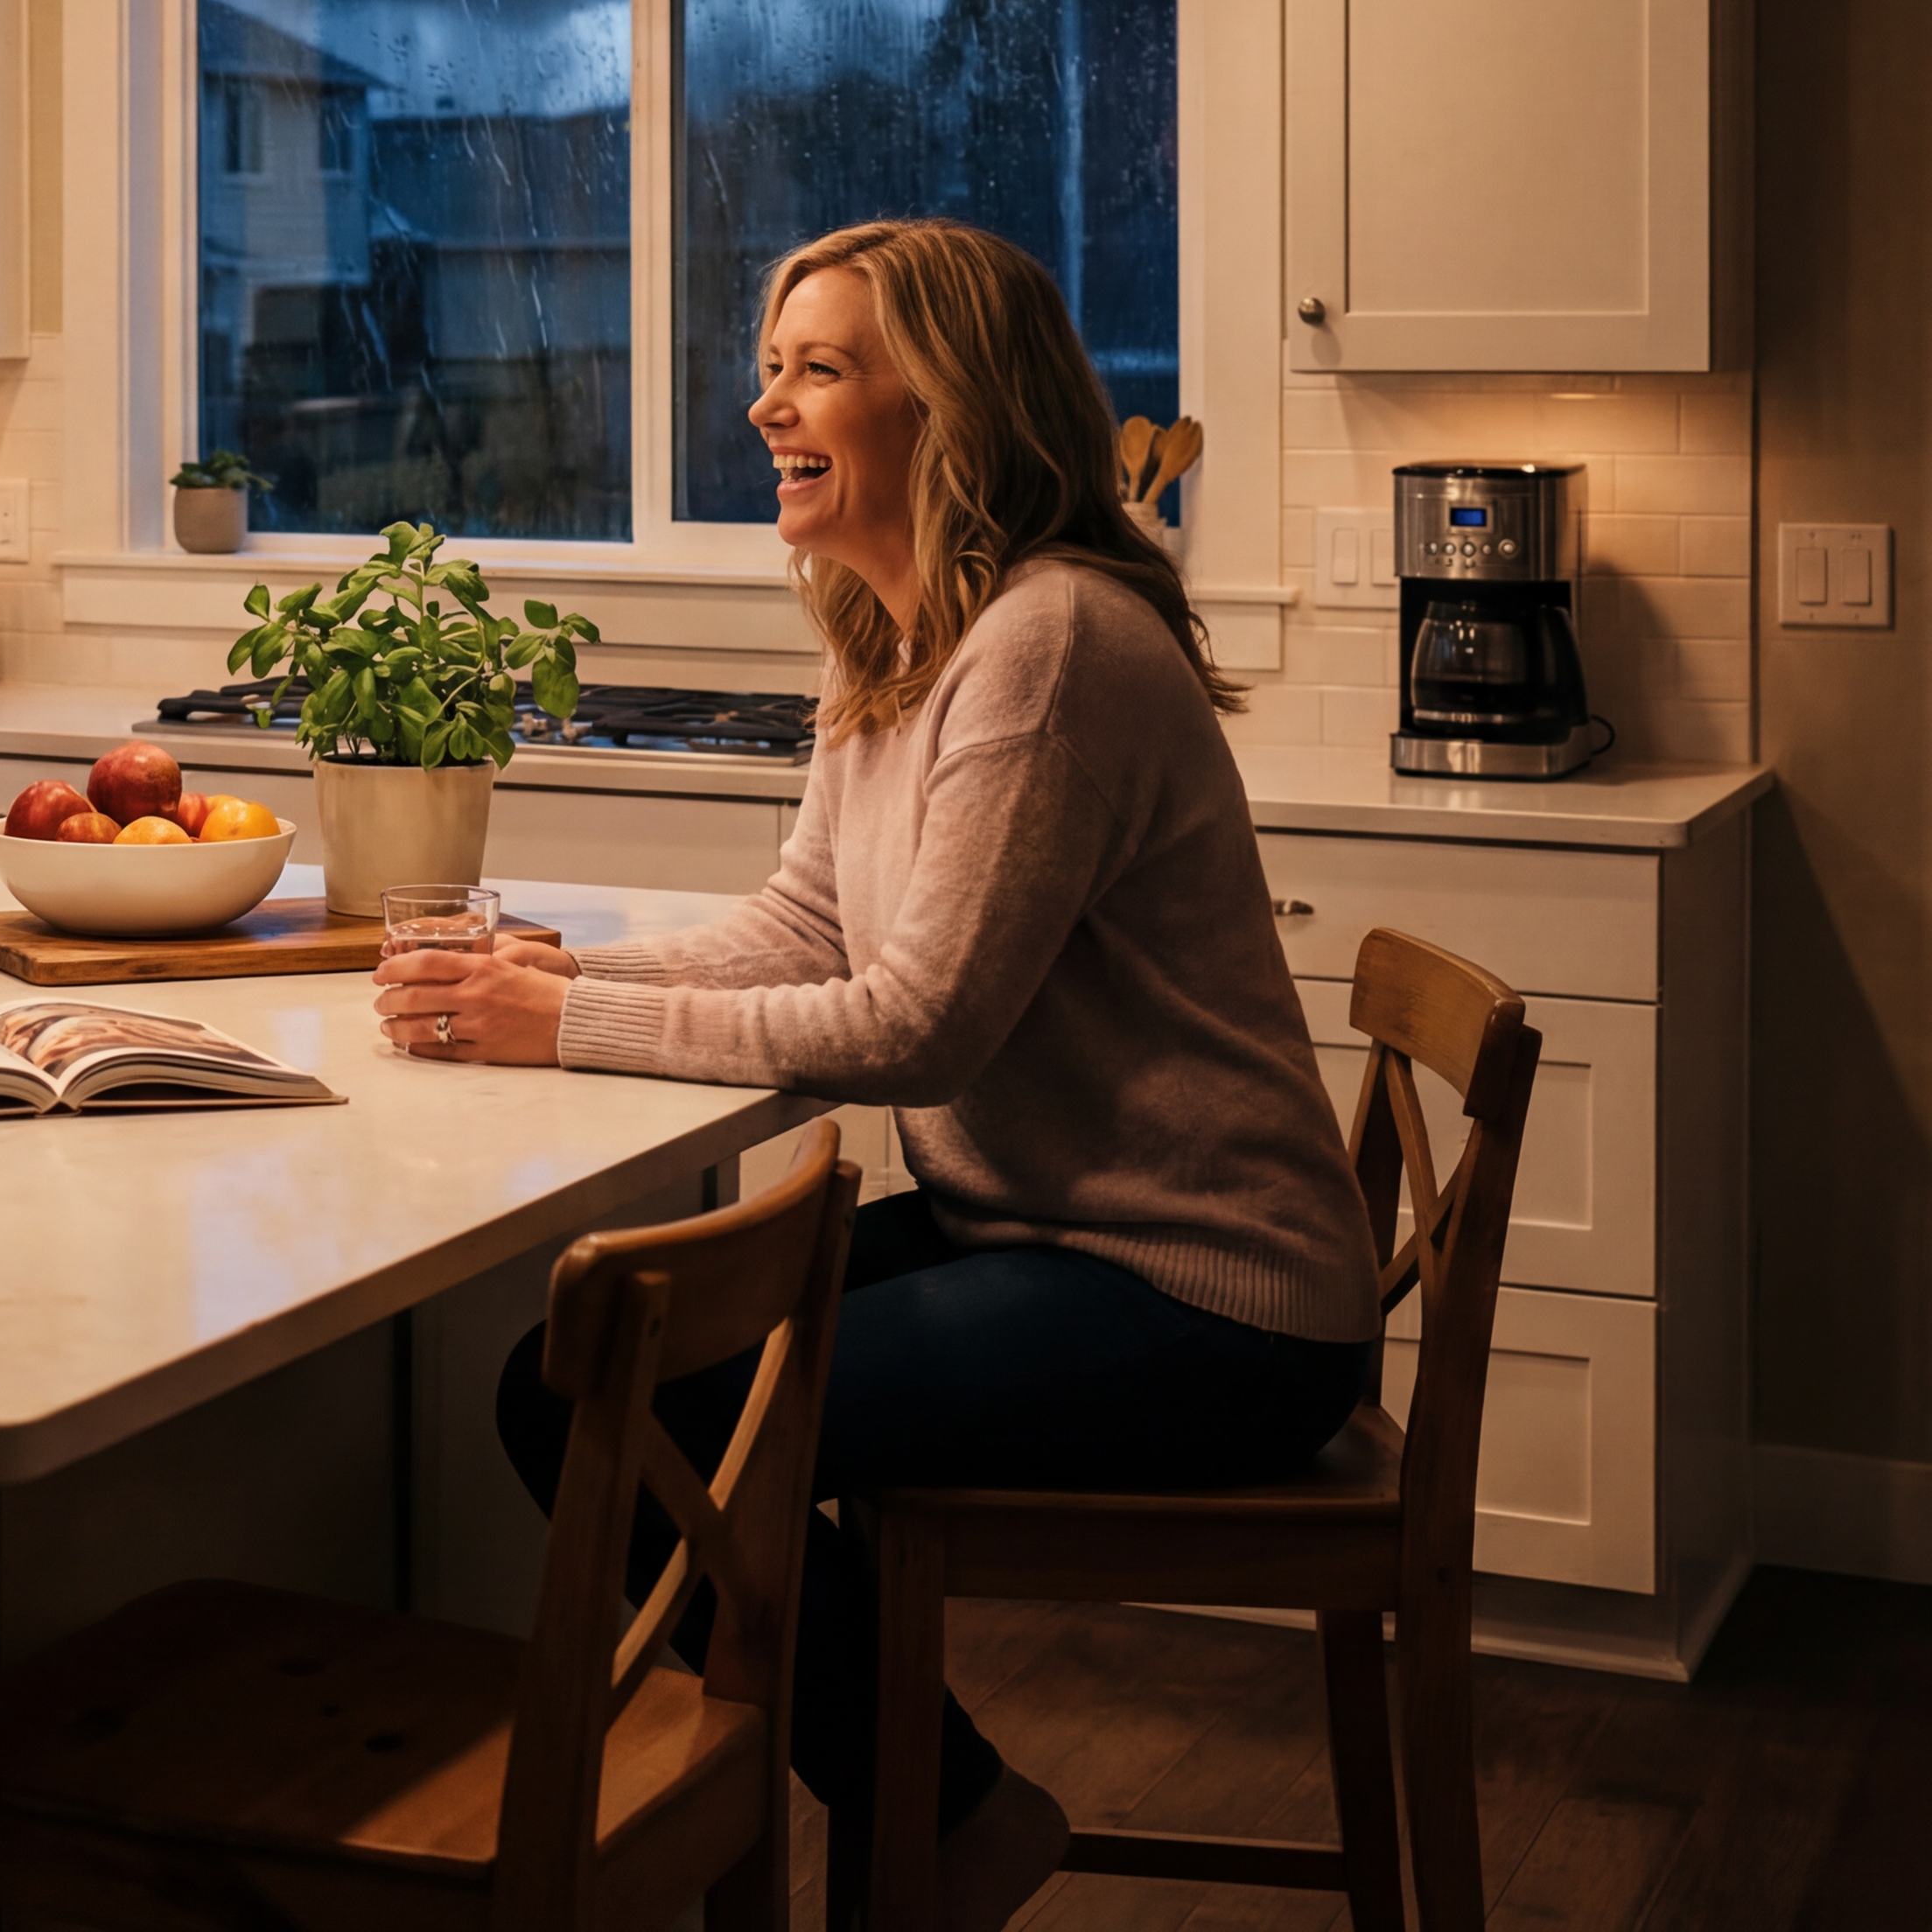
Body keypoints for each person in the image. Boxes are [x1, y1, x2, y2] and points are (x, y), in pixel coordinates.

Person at [371, 218, 1379, 1930]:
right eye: (772, 367)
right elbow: (804, 925)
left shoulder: (1050, 644)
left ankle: (946, 1814)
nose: (766, 406)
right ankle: (910, 1799)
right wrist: (563, 973)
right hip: (1039, 1230)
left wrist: (570, 1023)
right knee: (578, 1371)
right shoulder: (896, 632)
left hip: (1210, 1299)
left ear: (957, 408)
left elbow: (916, 1023)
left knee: (614, 1406)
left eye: (819, 368)